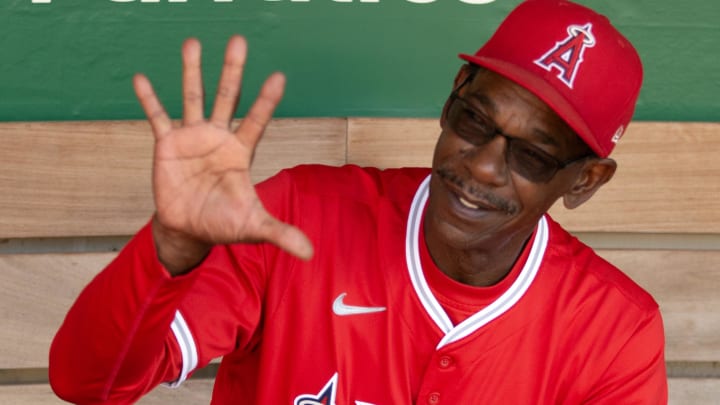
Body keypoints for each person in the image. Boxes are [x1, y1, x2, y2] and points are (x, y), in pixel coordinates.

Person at [49, 0, 668, 403]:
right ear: (453, 95)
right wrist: (169, 251)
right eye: (474, 119)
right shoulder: (300, 216)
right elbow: (88, 382)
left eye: (531, 155)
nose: (481, 163)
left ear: (584, 181)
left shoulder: (615, 334)